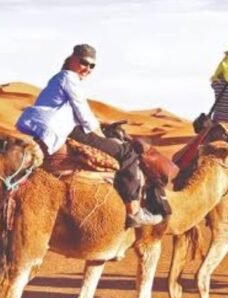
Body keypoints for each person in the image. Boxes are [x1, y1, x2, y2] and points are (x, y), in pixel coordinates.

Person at [15, 44, 162, 227]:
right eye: (84, 63)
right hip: (61, 130)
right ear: (72, 59)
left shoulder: (58, 79)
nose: (88, 69)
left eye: (92, 66)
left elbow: (73, 110)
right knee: (127, 154)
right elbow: (83, 113)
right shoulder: (70, 78)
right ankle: (134, 211)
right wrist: (101, 134)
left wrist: (100, 122)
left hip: (47, 127)